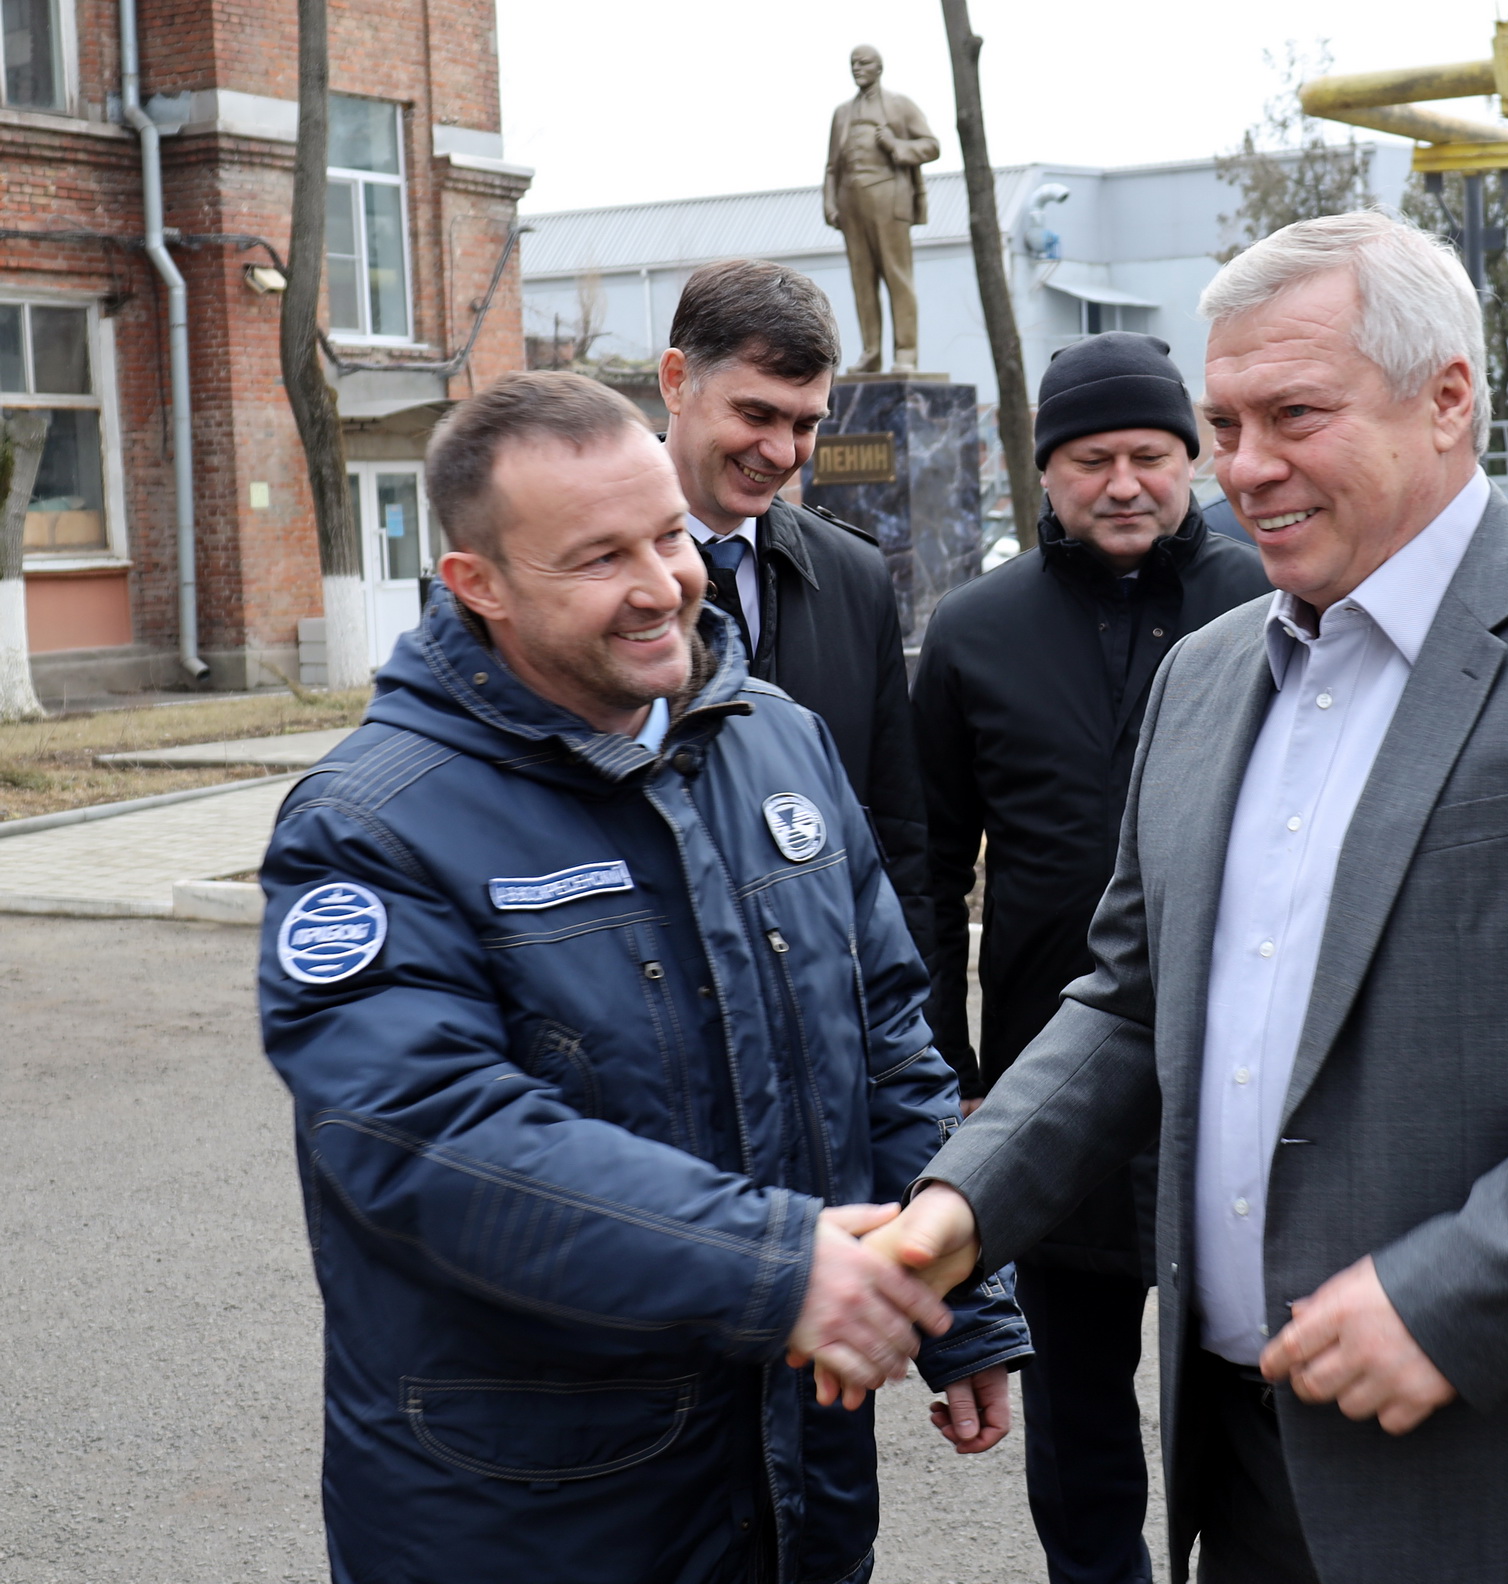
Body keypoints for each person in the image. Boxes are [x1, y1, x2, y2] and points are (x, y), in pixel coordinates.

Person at [876, 213, 1508, 1582]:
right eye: (1223, 421)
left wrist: (1456, 1291)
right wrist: (957, 1211)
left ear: (1447, 397)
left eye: (1294, 415)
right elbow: (1130, 999)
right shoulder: (1206, 678)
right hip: (1258, 1463)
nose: (1245, 468)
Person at [257, 371, 1028, 1584]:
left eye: (669, 532)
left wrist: (960, 1298)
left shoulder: (776, 736)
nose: (664, 582)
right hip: (531, 1505)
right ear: (481, 587)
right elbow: (428, 1139)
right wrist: (778, 1267)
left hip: (793, 1477)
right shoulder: (370, 827)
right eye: (598, 557)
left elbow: (883, 1029)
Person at [912, 332, 1267, 1584]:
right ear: (1045, 475)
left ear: (1194, 461)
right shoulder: (972, 631)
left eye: (1152, 456)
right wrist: (950, 1066)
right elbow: (931, 861)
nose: (1125, 483)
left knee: (1248, 1380)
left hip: (1239, 1080)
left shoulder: (1271, 602)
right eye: (1091, 459)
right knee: (1072, 1410)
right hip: (1046, 1080)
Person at [657, 257, 933, 962]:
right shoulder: (582, 575)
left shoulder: (855, 577)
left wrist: (928, 1059)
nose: (781, 451)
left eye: (806, 423)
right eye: (755, 413)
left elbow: (896, 840)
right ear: (676, 381)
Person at [823, 44, 939, 374]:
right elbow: (832, 165)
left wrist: (896, 145)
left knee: (897, 277)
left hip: (889, 197)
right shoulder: (842, 113)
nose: (857, 68)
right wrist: (829, 202)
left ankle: (905, 354)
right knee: (862, 281)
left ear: (879, 67)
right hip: (851, 203)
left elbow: (931, 145)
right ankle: (871, 353)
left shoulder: (900, 105)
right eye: (853, 63)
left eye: (864, 63)